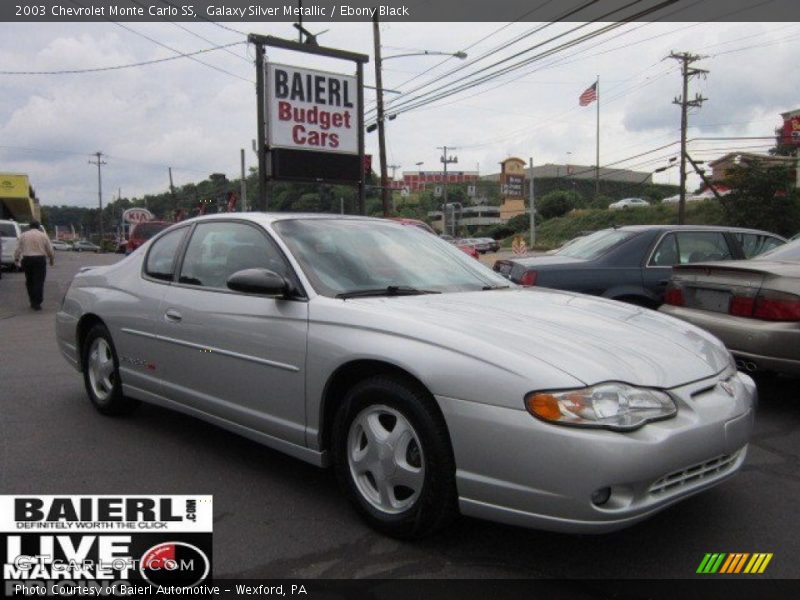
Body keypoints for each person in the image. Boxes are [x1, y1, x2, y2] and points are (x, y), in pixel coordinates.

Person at [14, 220, 54, 311]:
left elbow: (18, 248)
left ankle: (32, 301)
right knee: (39, 281)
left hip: (27, 259)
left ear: (29, 226)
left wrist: (16, 259)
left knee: (29, 281)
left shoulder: (24, 235)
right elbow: (49, 249)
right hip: (40, 260)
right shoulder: (43, 235)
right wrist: (51, 258)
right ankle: (38, 302)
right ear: (38, 227)